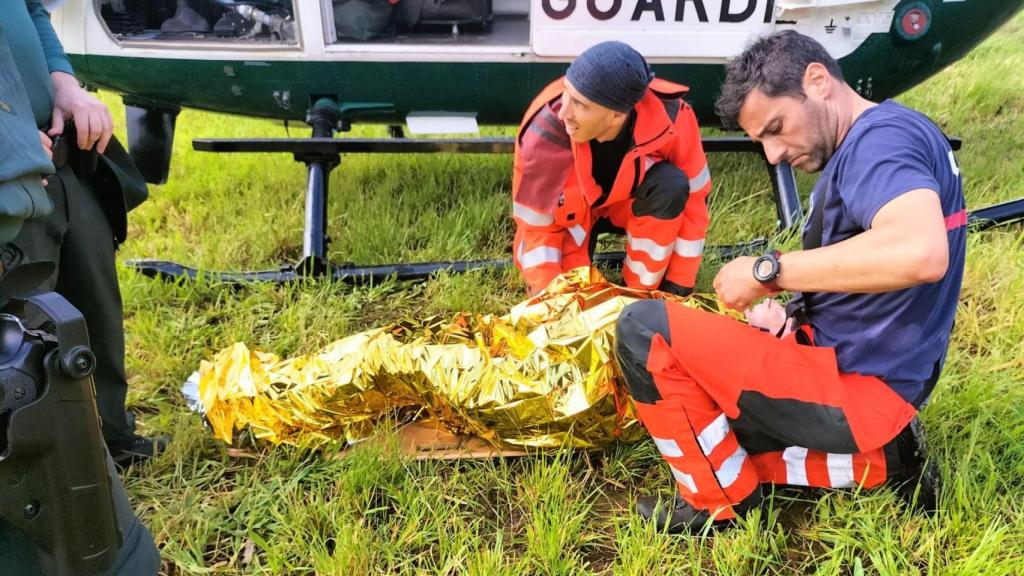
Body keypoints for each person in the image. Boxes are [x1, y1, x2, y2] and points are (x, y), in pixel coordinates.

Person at [614, 30, 964, 533]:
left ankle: (721, 506)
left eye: (776, 128)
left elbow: (921, 252)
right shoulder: (891, 133)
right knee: (709, 421)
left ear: (818, 80)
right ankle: (883, 462)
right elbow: (873, 268)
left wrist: (771, 271)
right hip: (877, 377)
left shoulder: (878, 142)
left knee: (644, 330)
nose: (775, 154)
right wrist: (795, 312)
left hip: (856, 390)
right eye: (762, 142)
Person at [0, 24, 161, 575]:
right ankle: (63, 463)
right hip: (13, 184)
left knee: (90, 312)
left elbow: (32, 13)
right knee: (30, 346)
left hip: (62, 157)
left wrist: (63, 82)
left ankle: (110, 432)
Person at [512, 41, 711, 297]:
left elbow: (694, 206)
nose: (564, 113)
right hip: (572, 218)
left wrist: (678, 287)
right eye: (566, 93)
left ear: (617, 115)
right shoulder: (544, 133)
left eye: (580, 105)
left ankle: (641, 289)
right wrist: (548, 300)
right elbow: (536, 229)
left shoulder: (674, 118)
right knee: (577, 300)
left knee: (671, 184)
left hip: (629, 204)